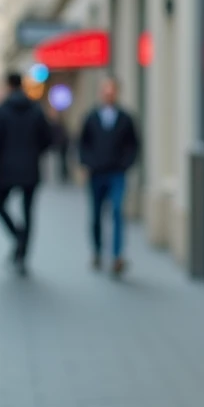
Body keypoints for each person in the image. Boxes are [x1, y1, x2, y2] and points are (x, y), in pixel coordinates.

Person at [0, 74, 52, 275]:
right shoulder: (36, 109)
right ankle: (23, 253)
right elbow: (47, 139)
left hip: (6, 168)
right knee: (28, 212)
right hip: (30, 168)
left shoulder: (2, 110)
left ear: (8, 86)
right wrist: (33, 153)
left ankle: (17, 236)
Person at [77, 78, 140, 275]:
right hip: (96, 173)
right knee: (96, 215)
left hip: (116, 173)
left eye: (111, 91)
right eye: (105, 91)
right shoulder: (91, 117)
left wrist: (126, 164)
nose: (108, 94)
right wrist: (87, 163)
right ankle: (97, 251)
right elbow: (82, 143)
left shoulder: (125, 118)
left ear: (117, 93)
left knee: (117, 212)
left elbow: (134, 145)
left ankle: (117, 256)